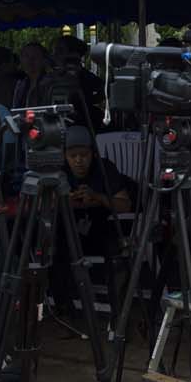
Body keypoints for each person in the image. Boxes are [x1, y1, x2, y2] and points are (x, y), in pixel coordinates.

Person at [51, 125, 133, 314]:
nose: (79, 161)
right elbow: (41, 204)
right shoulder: (59, 171)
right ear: (65, 156)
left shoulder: (104, 169)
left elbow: (125, 205)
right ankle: (64, 311)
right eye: (73, 156)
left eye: (84, 155)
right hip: (70, 232)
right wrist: (66, 201)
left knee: (118, 252)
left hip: (101, 228)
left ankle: (117, 313)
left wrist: (98, 197)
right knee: (52, 249)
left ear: (92, 154)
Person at [13, 41, 49, 109]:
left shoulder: (49, 83)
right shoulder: (20, 85)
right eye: (26, 56)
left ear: (44, 60)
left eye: (35, 56)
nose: (30, 60)